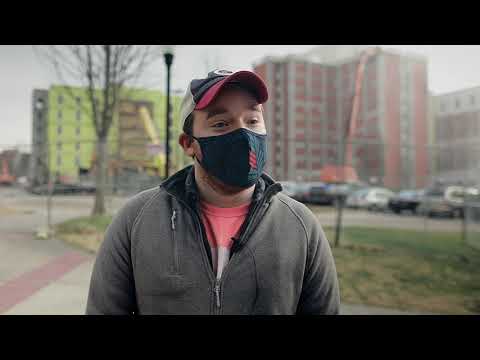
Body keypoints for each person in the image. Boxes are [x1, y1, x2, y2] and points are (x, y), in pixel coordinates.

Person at [86, 69, 340, 315]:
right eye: (221, 123)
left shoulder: (301, 227)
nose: (243, 134)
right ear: (188, 144)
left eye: (252, 121)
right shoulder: (137, 220)